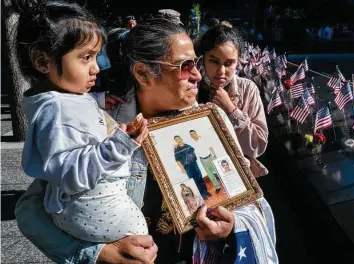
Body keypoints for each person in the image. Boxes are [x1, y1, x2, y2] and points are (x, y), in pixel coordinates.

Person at [15, 14, 278, 264]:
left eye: (196, 64)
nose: (198, 75)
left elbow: (249, 202)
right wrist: (98, 254)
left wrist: (232, 225)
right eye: (185, 66)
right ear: (142, 74)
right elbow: (30, 209)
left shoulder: (213, 121)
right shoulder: (103, 127)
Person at [15, 0, 150, 245]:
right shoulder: (56, 110)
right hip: (92, 210)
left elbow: (75, 109)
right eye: (85, 57)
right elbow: (70, 173)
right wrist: (120, 145)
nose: (96, 68)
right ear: (43, 62)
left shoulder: (65, 99)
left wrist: (98, 100)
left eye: (96, 57)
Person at [197, 25, 269, 178]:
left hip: (236, 173)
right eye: (214, 61)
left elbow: (257, 146)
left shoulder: (248, 89)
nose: (221, 71)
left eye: (229, 63)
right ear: (203, 58)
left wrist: (231, 110)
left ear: (238, 62)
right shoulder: (191, 87)